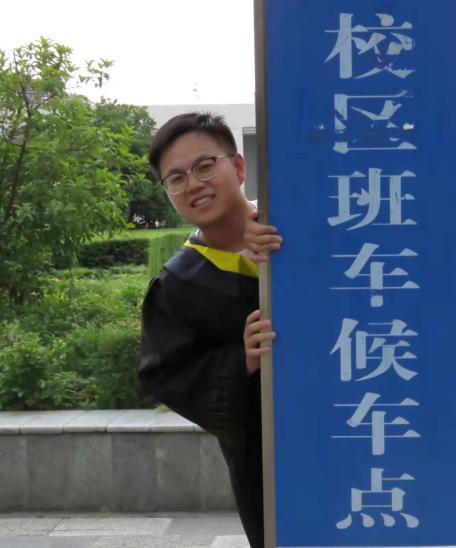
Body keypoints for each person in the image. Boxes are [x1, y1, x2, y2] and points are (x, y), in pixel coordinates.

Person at [138, 112, 282, 548]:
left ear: (238, 167)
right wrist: (243, 361)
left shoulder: (298, 226)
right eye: (176, 178)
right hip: (266, 454)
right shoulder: (177, 285)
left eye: (205, 166)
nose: (194, 184)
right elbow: (167, 374)